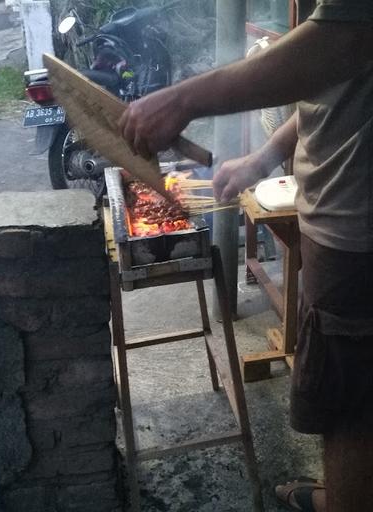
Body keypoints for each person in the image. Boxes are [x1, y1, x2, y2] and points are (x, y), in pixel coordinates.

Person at [119, 1, 373, 511]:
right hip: (347, 214)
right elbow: (335, 86)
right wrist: (262, 158)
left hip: (355, 229)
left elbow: (339, 47)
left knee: (350, 412)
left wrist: (183, 100)